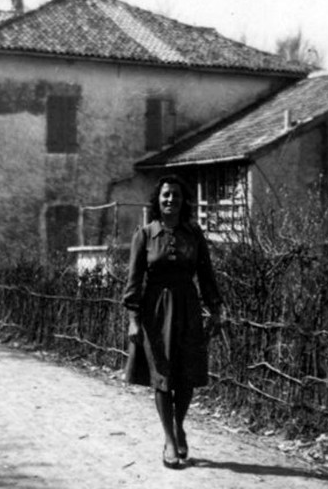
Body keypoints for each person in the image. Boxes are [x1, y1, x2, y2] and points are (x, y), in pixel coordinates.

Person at [123, 174, 222, 469]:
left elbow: (206, 276)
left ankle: (179, 426)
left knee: (187, 374)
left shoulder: (194, 234)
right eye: (166, 195)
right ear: (158, 200)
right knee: (163, 376)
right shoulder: (145, 235)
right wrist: (133, 320)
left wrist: (215, 310)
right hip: (156, 313)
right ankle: (169, 439)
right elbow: (133, 283)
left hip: (189, 310)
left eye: (176, 195)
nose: (171, 200)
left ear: (183, 201)